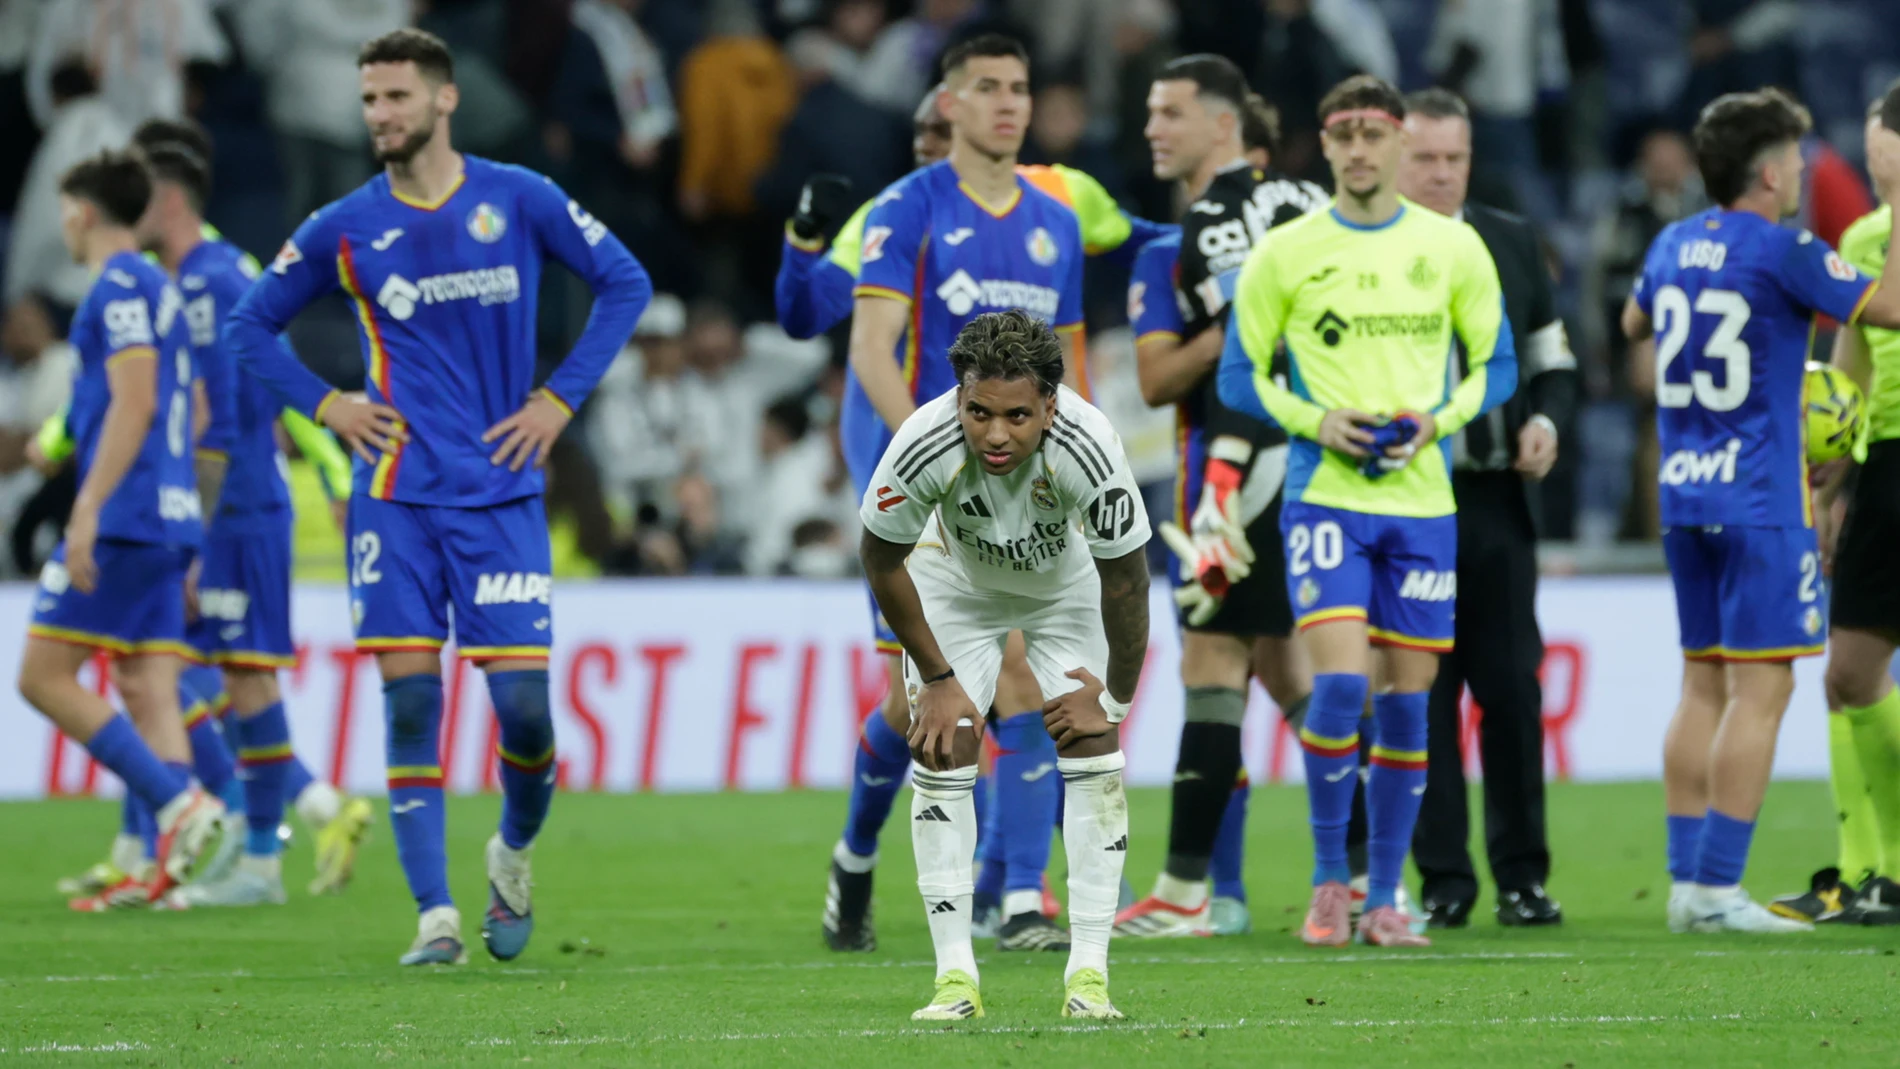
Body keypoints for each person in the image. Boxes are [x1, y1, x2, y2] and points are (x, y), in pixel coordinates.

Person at [223, 28, 652, 965]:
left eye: (396, 97)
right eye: (369, 100)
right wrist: (329, 405)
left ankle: (513, 852)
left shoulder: (518, 196)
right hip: (395, 500)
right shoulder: (345, 225)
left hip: (500, 497)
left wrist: (558, 400)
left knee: (526, 716)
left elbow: (625, 281)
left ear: (444, 99)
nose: (379, 115)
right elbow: (248, 326)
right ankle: (435, 918)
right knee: (412, 705)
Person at [788, 37, 1110, 955]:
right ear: (951, 104)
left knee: (1028, 673)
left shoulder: (1056, 222)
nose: (1008, 103)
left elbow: (1069, 362)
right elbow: (869, 351)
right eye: (987, 87)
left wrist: (1082, 471)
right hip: (932, 490)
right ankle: (857, 855)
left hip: (1026, 488)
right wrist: (938, 464)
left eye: (1020, 87)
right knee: (922, 702)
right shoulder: (907, 209)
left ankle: (1017, 898)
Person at [1217, 74, 1518, 949]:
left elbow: (1496, 367)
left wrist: (1437, 422)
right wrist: (1317, 421)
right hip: (1326, 496)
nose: (1358, 149)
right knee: (1343, 686)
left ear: (1399, 140)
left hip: (1423, 503)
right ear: (1325, 144)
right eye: (1342, 134)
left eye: (1373, 133)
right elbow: (1239, 376)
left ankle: (1386, 896)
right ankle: (1331, 884)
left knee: (1408, 705)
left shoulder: (1452, 247)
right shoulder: (1287, 251)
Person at [1620, 85, 1900, 934]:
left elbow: (1633, 321)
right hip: (1761, 500)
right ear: (1770, 173)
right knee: (1763, 688)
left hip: (1684, 496)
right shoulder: (1788, 251)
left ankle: (1684, 883)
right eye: (1795, 161)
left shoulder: (1670, 243)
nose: (1803, 175)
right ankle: (1716, 890)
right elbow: (1891, 308)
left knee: (1700, 683)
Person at [860, 309, 1150, 1021]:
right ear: (959, 397)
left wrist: (1114, 700)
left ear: (1050, 405)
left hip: (1064, 587)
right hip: (956, 582)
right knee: (945, 741)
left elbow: (1127, 583)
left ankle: (1089, 977)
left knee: (1093, 746)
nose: (995, 434)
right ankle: (955, 979)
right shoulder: (923, 441)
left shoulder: (1090, 447)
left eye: (1017, 415)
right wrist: (935, 678)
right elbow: (880, 557)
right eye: (979, 412)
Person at [128, 124, 374, 907]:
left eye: (137, 198)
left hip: (235, 511)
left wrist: (194, 538)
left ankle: (256, 846)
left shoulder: (212, 284)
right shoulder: (200, 276)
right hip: (225, 509)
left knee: (229, 674)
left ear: (169, 199)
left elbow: (229, 415)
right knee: (197, 671)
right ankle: (267, 823)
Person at [1115, 54, 1325, 940]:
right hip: (1313, 460)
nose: (1152, 128)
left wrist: (1228, 476)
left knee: (1210, 664)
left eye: (1170, 112)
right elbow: (1163, 375)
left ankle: (1187, 890)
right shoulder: (1306, 211)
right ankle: (1368, 875)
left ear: (1224, 124)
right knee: (1293, 675)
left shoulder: (1209, 227)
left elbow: (1229, 357)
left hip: (1238, 467)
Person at [15, 147, 227, 908]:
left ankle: (179, 806)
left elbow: (136, 401)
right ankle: (161, 869)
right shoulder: (163, 287)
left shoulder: (117, 288)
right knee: (146, 683)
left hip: (127, 517)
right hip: (169, 516)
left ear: (80, 211)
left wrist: (87, 506)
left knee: (41, 677)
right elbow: (194, 410)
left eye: (64, 211)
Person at [1396, 88, 1576, 929]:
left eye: (1454, 158)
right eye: (1425, 158)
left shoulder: (1508, 240)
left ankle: (1522, 877)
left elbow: (1553, 359)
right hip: (1404, 501)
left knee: (1510, 689)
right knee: (1422, 694)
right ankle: (1443, 879)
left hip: (1495, 497)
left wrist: (1546, 420)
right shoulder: (1366, 252)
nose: (1441, 173)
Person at [1775, 87, 1900, 925]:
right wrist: (1829, 479)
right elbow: (1850, 368)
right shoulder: (1862, 238)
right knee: (1847, 676)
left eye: (1878, 144)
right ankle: (1864, 876)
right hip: (1884, 468)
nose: (1869, 158)